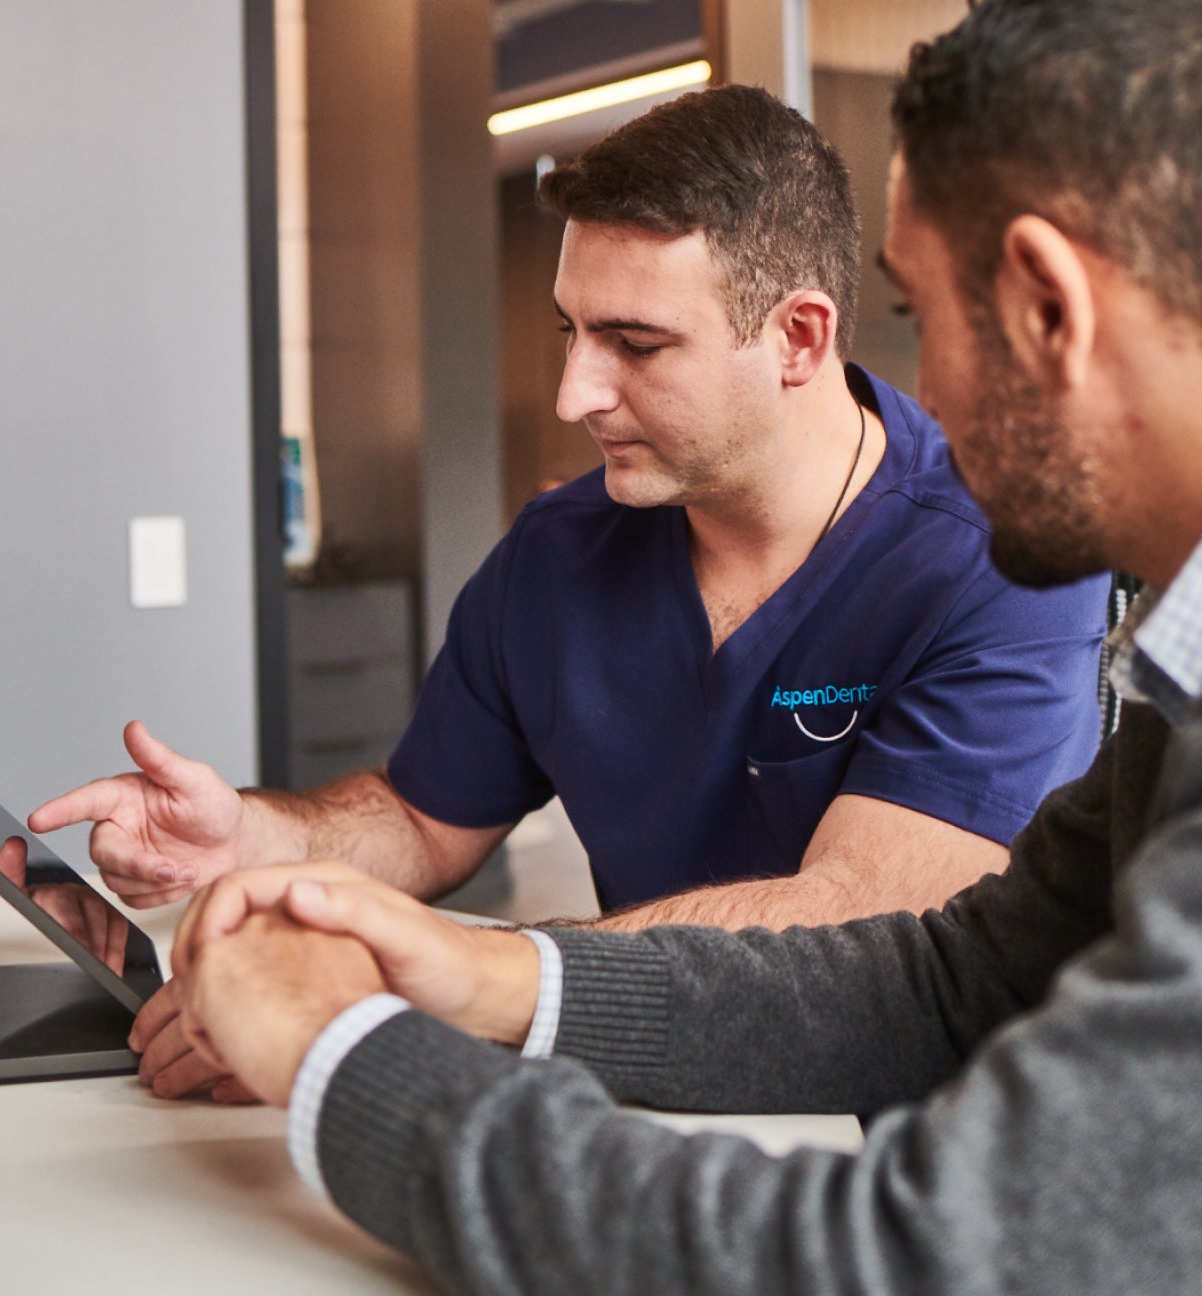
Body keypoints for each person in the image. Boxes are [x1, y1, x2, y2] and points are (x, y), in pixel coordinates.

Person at [165, 0, 1202, 1290]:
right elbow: (948, 975)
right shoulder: (1178, 706)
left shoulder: (981, 562)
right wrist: (488, 975)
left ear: (1048, 304)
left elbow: (894, 1256)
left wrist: (343, 1054)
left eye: (919, 312)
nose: (917, 379)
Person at [32, 87, 1105, 940]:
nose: (574, 395)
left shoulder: (1003, 558)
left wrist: (467, 973)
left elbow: (859, 915)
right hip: (638, 1118)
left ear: (798, 339)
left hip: (905, 1153)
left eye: (635, 346)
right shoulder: (558, 556)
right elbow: (417, 823)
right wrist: (247, 840)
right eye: (569, 334)